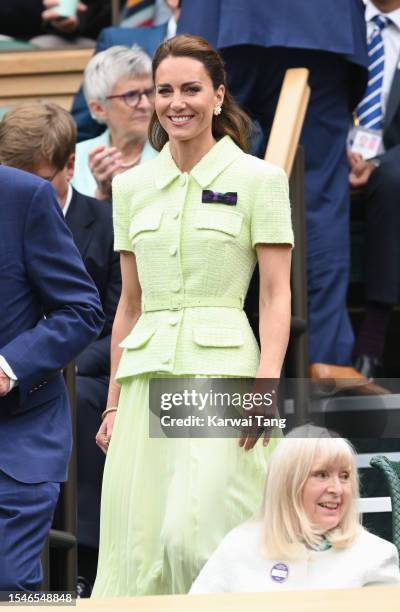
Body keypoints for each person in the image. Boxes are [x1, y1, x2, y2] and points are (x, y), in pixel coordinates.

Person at [92, 34, 293, 596]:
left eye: (190, 89)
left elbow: (277, 295)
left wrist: (265, 388)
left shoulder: (260, 180)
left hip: (222, 371)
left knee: (200, 535)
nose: (176, 102)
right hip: (144, 376)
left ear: (218, 95)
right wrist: (112, 400)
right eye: (164, 91)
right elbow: (128, 305)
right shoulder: (130, 189)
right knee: (138, 546)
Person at [177, 0, 373, 391]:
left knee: (214, 185)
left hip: (223, 23)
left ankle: (206, 355)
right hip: (320, 25)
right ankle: (326, 356)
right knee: (315, 199)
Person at [0, 100, 121, 592]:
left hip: (15, 438)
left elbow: (82, 310)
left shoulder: (22, 197)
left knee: (14, 586)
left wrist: (10, 366)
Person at [190, 428, 400, 593]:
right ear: (288, 482)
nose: (337, 489)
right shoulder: (238, 546)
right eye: (322, 474)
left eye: (344, 476)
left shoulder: (375, 555)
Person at [348, 0, 400, 379]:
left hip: (392, 159)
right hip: (335, 149)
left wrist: (376, 163)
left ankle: (373, 337)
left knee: (391, 178)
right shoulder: (341, 20)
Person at [71, 0, 181, 142]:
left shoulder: (217, 48)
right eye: (132, 95)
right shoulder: (119, 40)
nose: (145, 104)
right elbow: (83, 129)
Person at [71, 45, 156, 200]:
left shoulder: (175, 152)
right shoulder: (75, 159)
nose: (146, 104)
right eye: (131, 95)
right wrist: (102, 196)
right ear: (98, 108)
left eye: (150, 92)